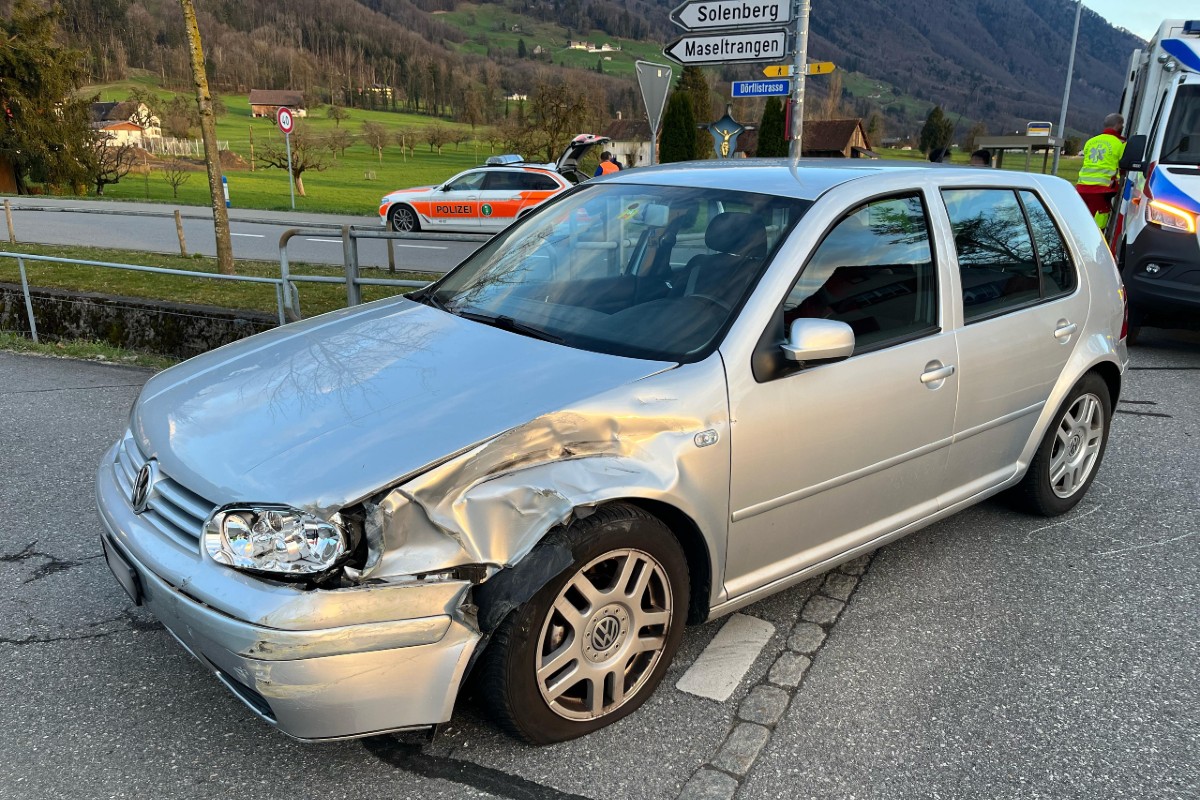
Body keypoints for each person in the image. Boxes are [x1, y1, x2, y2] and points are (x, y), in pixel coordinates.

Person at [1075, 113, 1126, 230]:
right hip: (1101, 190)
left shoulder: (1090, 141)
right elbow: (1123, 168)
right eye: (1122, 124)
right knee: (1098, 225)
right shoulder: (1120, 144)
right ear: (1118, 125)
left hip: (1081, 187)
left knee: (1081, 221)